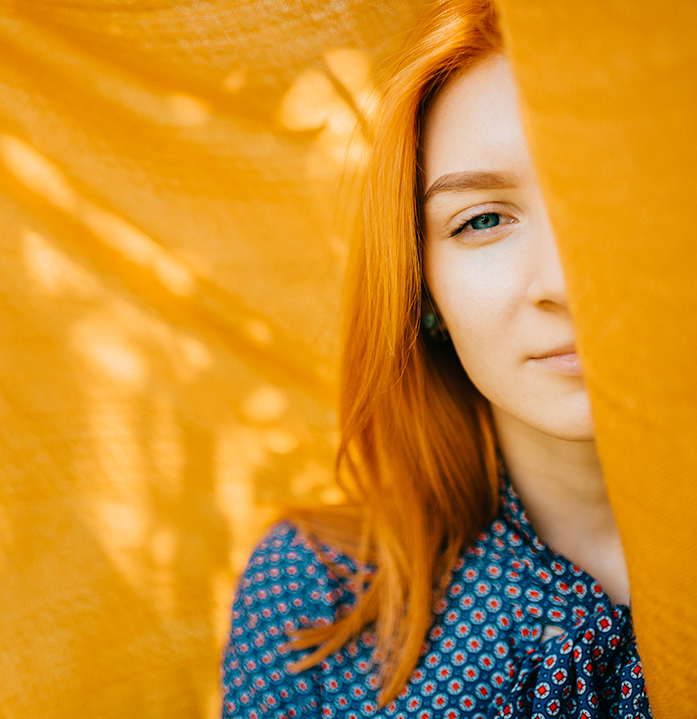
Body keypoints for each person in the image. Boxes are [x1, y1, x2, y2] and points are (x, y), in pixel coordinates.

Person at [220, 0, 651, 717]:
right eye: (482, 220)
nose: (565, 285)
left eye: (605, 198)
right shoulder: (318, 593)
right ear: (425, 292)